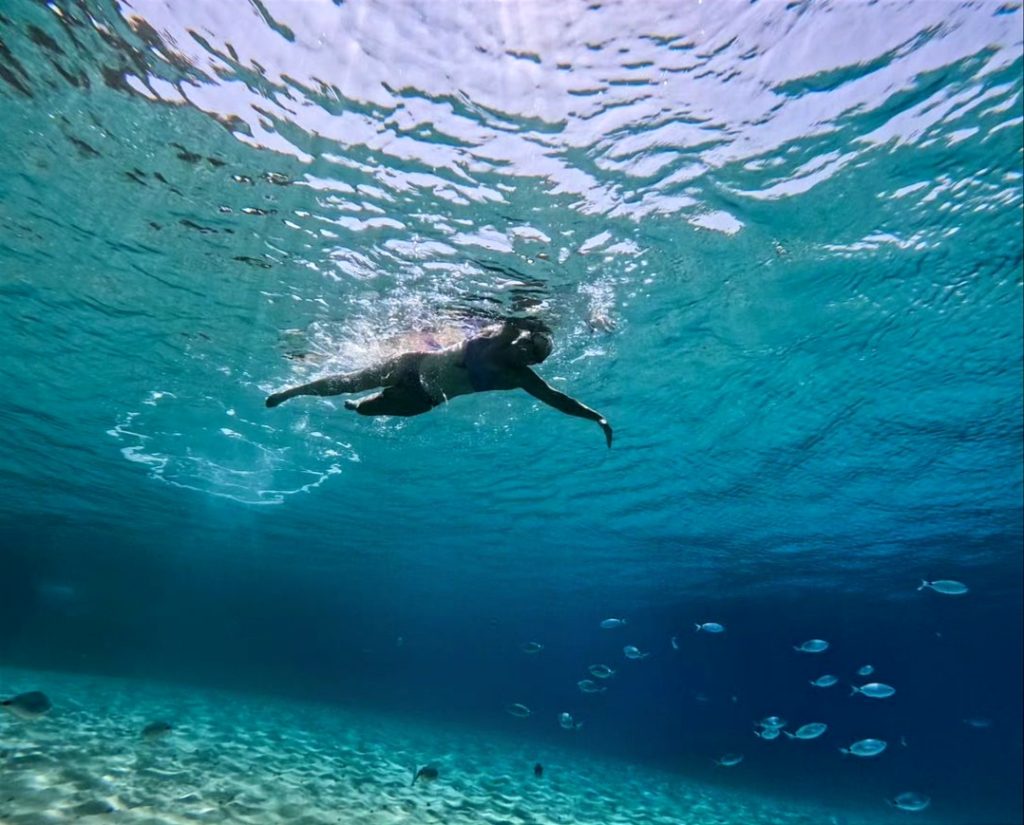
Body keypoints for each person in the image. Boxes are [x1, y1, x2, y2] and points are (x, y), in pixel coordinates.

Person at [266, 319, 613, 447]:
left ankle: (360, 405)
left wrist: (596, 416)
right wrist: (528, 321)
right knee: (351, 381)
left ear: (535, 361)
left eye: (533, 351)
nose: (525, 348)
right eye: (528, 340)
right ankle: (292, 391)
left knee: (369, 410)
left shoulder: (519, 377)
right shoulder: (499, 338)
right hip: (412, 365)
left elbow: (557, 398)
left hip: (426, 397)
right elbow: (513, 319)